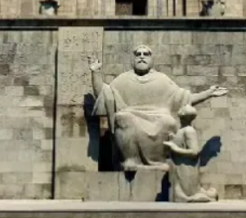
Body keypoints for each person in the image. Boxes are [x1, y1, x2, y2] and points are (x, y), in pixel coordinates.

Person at [88, 45, 228, 170]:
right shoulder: (123, 79)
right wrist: (95, 73)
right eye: (138, 54)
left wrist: (208, 93)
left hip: (159, 118)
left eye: (146, 54)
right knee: (122, 118)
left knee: (168, 121)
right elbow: (104, 94)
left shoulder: (162, 79)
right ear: (133, 59)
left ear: (151, 59)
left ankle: (158, 161)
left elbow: (184, 98)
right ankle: (131, 160)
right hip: (130, 118)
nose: (142, 57)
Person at [164, 104, 218, 203]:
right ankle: (204, 194)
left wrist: (175, 148)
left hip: (187, 168)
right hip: (180, 167)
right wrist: (173, 138)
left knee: (186, 194)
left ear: (183, 115)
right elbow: (181, 143)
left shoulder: (189, 130)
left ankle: (203, 196)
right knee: (179, 192)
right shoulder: (181, 130)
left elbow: (194, 151)